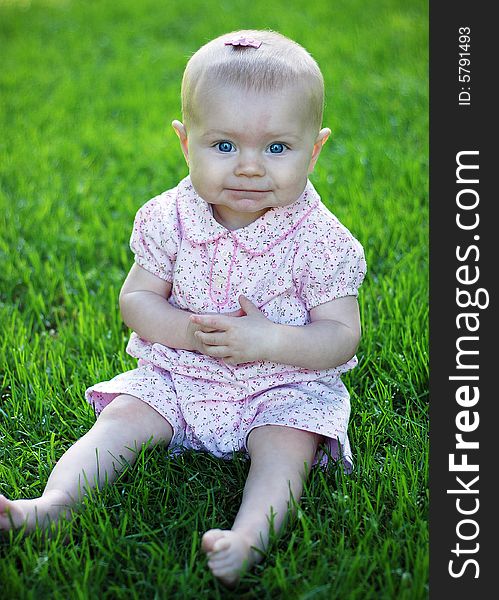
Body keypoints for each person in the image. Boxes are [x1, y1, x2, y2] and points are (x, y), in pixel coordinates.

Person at [0, 29, 366, 587]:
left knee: (285, 448)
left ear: (313, 150)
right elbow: (137, 299)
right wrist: (185, 334)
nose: (249, 167)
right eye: (224, 146)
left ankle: (247, 537)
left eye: (276, 148)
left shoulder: (321, 239)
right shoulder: (169, 218)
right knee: (121, 419)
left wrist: (269, 341)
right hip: (181, 371)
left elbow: (341, 336)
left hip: (280, 384)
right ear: (185, 142)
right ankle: (53, 505)